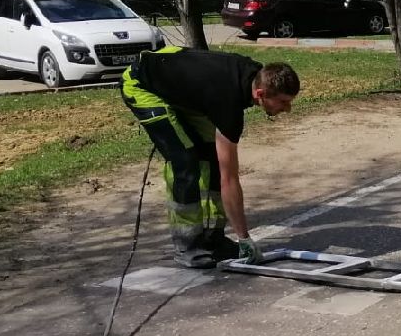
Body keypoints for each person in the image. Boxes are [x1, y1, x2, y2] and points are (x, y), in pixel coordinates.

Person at [121, 45, 300, 268]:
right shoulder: (228, 104)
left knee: (212, 159)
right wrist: (244, 238)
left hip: (184, 87)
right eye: (283, 102)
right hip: (143, 85)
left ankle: (213, 239)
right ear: (260, 94)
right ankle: (187, 243)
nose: (288, 109)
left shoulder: (253, 74)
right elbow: (230, 179)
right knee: (185, 162)